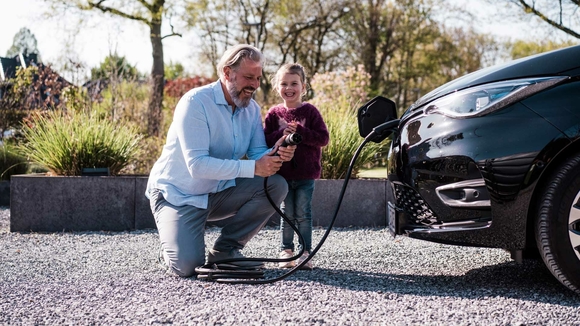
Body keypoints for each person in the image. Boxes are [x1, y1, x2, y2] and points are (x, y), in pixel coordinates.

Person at [146, 44, 297, 278]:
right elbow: (196, 166)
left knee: (276, 185)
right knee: (187, 267)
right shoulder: (195, 103)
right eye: (249, 77)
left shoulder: (251, 109)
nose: (255, 85)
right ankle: (168, 249)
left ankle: (225, 250)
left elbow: (257, 153)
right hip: (178, 195)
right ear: (227, 73)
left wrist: (276, 153)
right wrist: (255, 167)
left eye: (258, 78)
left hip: (217, 192)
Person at [263, 63, 329, 270]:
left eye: (294, 83)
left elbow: (323, 138)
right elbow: (265, 140)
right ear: (277, 87)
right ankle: (286, 250)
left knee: (303, 212)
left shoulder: (310, 112)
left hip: (305, 174)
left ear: (303, 86)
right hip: (282, 174)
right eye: (284, 83)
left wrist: (301, 131)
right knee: (286, 212)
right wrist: (281, 135)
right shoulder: (274, 114)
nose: (289, 88)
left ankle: (305, 251)